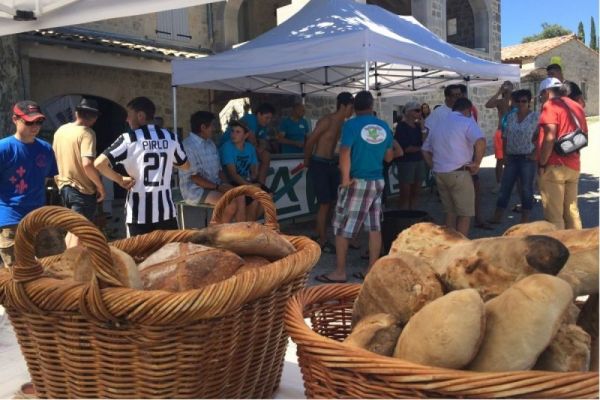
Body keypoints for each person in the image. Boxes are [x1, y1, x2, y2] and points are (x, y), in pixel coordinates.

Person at [315, 91, 394, 283]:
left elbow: (344, 153)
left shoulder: (351, 125)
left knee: (342, 227)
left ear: (354, 107)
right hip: (377, 181)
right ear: (371, 105)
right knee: (374, 227)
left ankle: (340, 272)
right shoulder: (384, 126)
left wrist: (344, 178)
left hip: (357, 181)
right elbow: (389, 157)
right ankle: (371, 270)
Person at [94, 97, 190, 237]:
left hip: (138, 214)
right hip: (166, 211)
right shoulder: (171, 137)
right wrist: (168, 158)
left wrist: (120, 179)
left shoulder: (128, 139)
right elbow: (186, 166)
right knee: (168, 255)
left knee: (139, 257)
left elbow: (99, 164)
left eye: (129, 115)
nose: (127, 119)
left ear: (140, 116)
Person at [0, 101, 58, 268]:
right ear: (15, 119)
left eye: (38, 122)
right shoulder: (4, 149)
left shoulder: (45, 149)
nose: (35, 126)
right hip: (10, 218)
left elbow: (49, 179)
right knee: (18, 272)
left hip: (39, 216)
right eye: (29, 122)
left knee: (54, 264)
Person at [422, 98, 486, 237]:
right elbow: (480, 141)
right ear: (468, 110)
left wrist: (433, 166)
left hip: (440, 173)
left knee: (449, 212)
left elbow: (425, 149)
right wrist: (477, 163)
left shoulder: (438, 124)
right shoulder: (467, 122)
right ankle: (460, 247)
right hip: (459, 173)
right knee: (464, 214)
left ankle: (449, 245)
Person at [303, 92, 354, 252]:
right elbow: (310, 140)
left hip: (331, 164)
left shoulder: (342, 124)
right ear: (344, 106)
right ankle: (322, 239)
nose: (352, 112)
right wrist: (307, 162)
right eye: (351, 108)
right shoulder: (327, 120)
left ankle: (324, 235)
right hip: (319, 163)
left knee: (332, 202)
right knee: (324, 203)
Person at [52, 98, 105, 247]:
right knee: (80, 232)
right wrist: (100, 186)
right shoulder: (87, 133)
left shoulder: (61, 130)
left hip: (64, 187)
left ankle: (68, 262)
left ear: (76, 113)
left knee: (73, 230)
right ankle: (72, 267)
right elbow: (87, 164)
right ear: (94, 118)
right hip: (82, 190)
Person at [537, 77, 587, 229]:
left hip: (554, 165)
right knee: (572, 213)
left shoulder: (550, 105)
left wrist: (542, 163)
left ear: (546, 92)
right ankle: (578, 248)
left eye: (540, 96)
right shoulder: (576, 106)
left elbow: (550, 137)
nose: (541, 99)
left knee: (554, 217)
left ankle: (559, 251)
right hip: (574, 164)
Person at [179, 111, 246, 222]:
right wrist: (219, 187)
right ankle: (214, 235)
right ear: (203, 127)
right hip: (195, 190)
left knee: (240, 196)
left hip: (214, 186)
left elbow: (219, 171)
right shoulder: (187, 146)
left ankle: (242, 235)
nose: (215, 129)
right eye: (213, 125)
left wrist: (226, 185)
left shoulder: (210, 144)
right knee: (230, 204)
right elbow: (195, 178)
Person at [488, 89, 539, 224]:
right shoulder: (510, 117)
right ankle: (497, 216)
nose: (521, 103)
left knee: (526, 189)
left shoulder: (535, 117)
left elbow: (542, 136)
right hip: (511, 157)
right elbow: (505, 137)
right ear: (514, 102)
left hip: (527, 158)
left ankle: (525, 219)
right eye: (518, 101)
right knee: (505, 187)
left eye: (524, 101)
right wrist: (504, 155)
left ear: (529, 102)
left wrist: (536, 153)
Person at [221, 103, 275, 185]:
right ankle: (256, 185)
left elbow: (264, 142)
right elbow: (252, 139)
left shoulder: (263, 126)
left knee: (265, 156)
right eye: (267, 117)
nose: (268, 121)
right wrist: (258, 148)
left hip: (243, 149)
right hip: (229, 150)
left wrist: (260, 149)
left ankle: (261, 184)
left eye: (270, 118)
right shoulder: (251, 119)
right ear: (259, 114)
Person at [221, 120, 261, 220]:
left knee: (267, 196)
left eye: (238, 132)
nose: (233, 134)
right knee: (251, 196)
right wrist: (250, 186)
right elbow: (232, 175)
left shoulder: (250, 147)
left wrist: (254, 175)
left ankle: (249, 226)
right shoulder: (227, 147)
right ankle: (246, 229)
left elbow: (254, 167)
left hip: (244, 181)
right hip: (230, 182)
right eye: (232, 131)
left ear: (246, 135)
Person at [393, 101, 428, 210]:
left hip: (418, 160)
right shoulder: (401, 127)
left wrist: (423, 129)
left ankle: (413, 215)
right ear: (408, 112)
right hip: (406, 162)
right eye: (417, 110)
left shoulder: (418, 127)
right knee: (405, 194)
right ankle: (403, 218)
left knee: (416, 192)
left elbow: (425, 142)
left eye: (420, 110)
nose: (420, 113)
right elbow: (406, 148)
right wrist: (421, 148)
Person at [485, 81, 514, 190]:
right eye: (506, 86)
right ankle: (499, 183)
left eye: (509, 86)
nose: (508, 88)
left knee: (512, 160)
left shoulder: (516, 101)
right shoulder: (500, 102)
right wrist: (499, 92)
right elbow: (488, 105)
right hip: (501, 132)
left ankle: (509, 183)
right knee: (500, 160)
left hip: (513, 134)